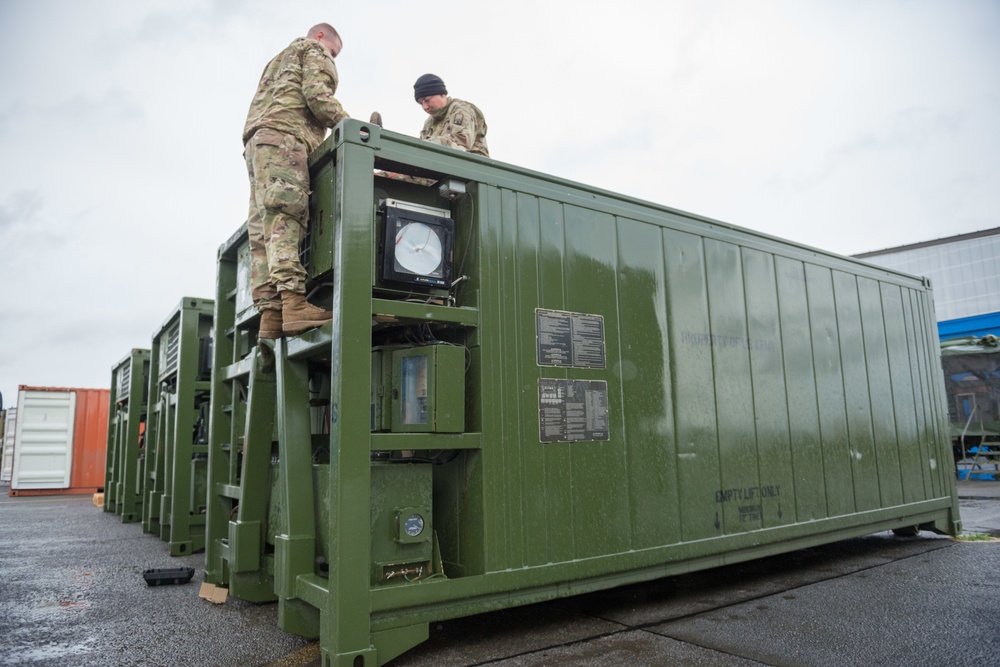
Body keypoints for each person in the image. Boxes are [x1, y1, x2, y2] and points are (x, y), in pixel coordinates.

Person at [243, 23, 349, 338]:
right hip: (287, 138)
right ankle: (294, 304)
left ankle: (271, 316)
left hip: (257, 143)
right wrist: (350, 127)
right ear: (320, 37)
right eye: (334, 52)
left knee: (263, 229)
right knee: (286, 219)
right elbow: (318, 96)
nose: (332, 58)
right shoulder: (313, 49)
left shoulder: (277, 60)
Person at [413, 74, 489, 157]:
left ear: (442, 94)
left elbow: (462, 141)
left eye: (427, 100)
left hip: (472, 165)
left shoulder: (461, 110)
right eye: (421, 103)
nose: (425, 107)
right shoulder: (429, 122)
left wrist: (429, 143)